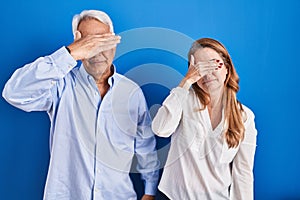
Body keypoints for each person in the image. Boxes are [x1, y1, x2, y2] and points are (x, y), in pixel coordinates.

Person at [2, 10, 159, 200]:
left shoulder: (132, 92)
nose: (97, 50)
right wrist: (69, 53)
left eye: (103, 41)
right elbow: (13, 93)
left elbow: (145, 145)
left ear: (114, 43)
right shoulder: (60, 85)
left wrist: (150, 191)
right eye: (90, 43)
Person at [152, 38, 257, 200]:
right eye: (199, 68)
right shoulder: (183, 99)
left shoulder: (244, 116)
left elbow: (243, 173)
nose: (207, 73)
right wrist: (186, 82)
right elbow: (160, 129)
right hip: (172, 196)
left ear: (227, 69)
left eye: (213, 64)